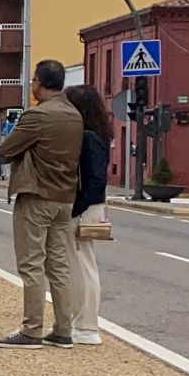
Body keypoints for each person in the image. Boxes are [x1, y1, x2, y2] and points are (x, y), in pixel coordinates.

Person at [0, 60, 83, 350]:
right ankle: (63, 329)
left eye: (33, 81)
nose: (32, 86)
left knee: (31, 264)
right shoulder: (74, 114)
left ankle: (32, 330)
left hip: (36, 196)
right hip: (65, 198)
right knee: (59, 266)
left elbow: (7, 150)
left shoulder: (37, 116)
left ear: (39, 83)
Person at [67, 84, 111, 347]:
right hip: (90, 206)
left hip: (85, 207)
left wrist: (75, 208)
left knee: (81, 266)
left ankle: (85, 325)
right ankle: (82, 322)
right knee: (83, 264)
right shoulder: (98, 134)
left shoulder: (88, 137)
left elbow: (95, 180)